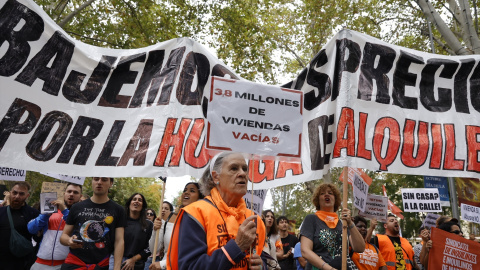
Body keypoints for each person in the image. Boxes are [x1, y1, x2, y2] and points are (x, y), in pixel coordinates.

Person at [167, 152, 266, 270]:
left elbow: (262, 258)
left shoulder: (255, 219)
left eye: (245, 169)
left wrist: (261, 266)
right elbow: (190, 266)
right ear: (216, 177)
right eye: (234, 168)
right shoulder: (195, 213)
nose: (242, 173)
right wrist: (237, 246)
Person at [60, 177, 126, 270]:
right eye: (96, 179)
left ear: (111, 183)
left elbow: (119, 241)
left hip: (101, 265)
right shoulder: (76, 207)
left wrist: (117, 267)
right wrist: (69, 241)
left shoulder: (119, 210)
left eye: (104, 180)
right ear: (92, 181)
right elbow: (64, 236)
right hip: (74, 264)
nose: (99, 182)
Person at [300, 183, 365, 270]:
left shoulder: (343, 223)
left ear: (335, 200)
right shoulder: (311, 219)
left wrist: (350, 223)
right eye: (322, 193)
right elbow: (305, 251)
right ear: (318, 200)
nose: (326, 194)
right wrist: (329, 269)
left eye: (330, 193)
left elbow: (360, 248)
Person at [28, 183, 83, 269]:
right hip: (41, 263)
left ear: (80, 196)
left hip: (65, 264)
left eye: (75, 192)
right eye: (69, 191)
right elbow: (31, 229)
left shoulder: (82, 214)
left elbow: (78, 229)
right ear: (64, 194)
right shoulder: (51, 210)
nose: (71, 194)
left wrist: (64, 211)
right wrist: (45, 215)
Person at [149, 184, 204, 270]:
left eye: (192, 191)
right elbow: (153, 250)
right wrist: (155, 230)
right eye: (185, 190)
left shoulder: (202, 220)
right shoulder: (169, 218)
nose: (186, 192)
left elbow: (191, 252)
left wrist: (164, 264)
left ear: (200, 197)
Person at [0, 181, 40, 270]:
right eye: (14, 192)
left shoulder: (33, 213)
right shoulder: (1, 211)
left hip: (21, 262)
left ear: (27, 196)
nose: (17, 196)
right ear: (10, 193)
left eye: (21, 194)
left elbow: (38, 238)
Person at [109, 193, 153, 270]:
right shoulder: (119, 220)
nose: (137, 201)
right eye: (134, 199)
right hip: (115, 260)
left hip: (136, 264)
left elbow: (150, 248)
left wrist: (134, 259)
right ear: (129, 203)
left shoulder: (148, 225)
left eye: (140, 200)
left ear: (143, 206)